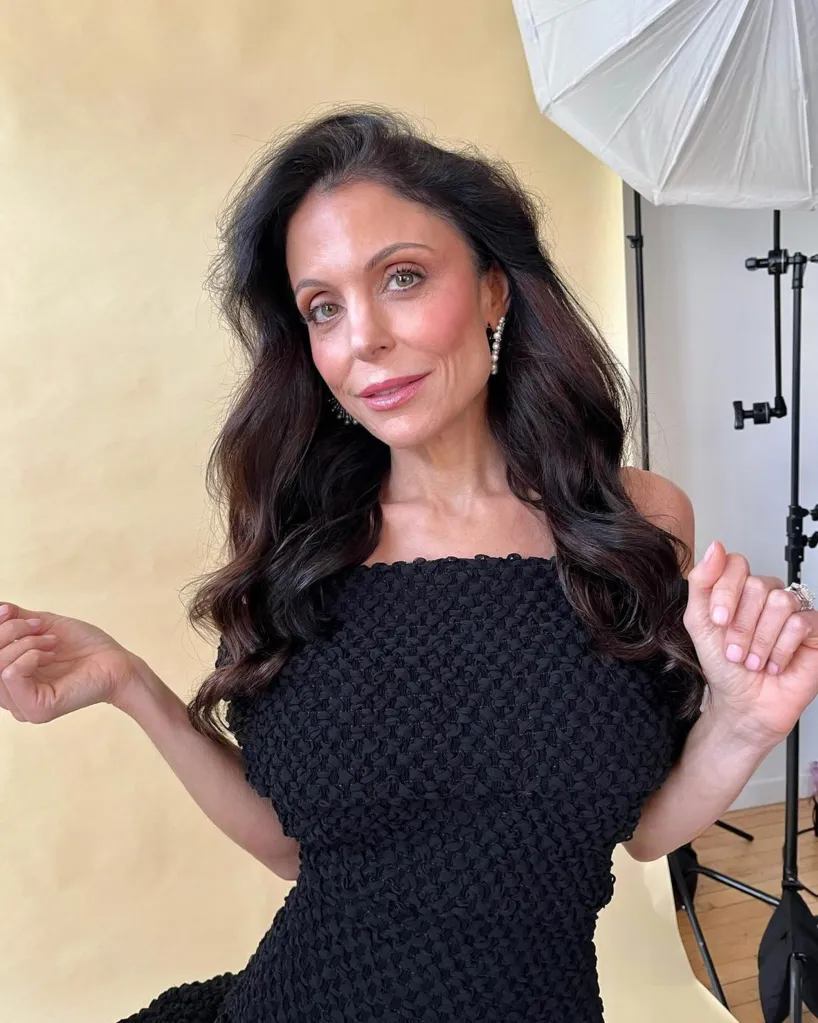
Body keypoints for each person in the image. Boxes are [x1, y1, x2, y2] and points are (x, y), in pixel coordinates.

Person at [2, 105, 817, 1023]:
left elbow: (634, 833)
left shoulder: (631, 520)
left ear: (493, 291)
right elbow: (290, 851)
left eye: (401, 278)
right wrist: (130, 683)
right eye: (323, 308)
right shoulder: (303, 544)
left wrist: (743, 722)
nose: (363, 340)